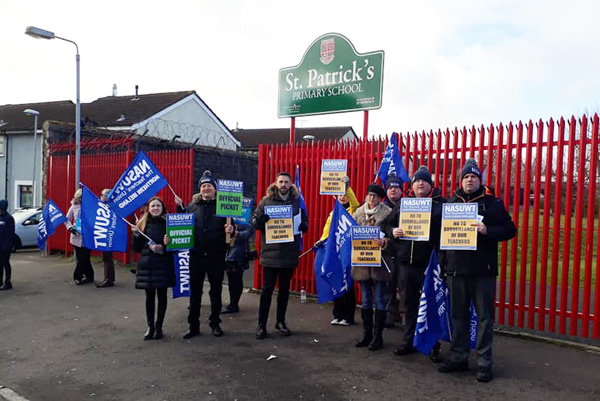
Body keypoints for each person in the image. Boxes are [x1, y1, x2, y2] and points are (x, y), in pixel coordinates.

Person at [438, 159, 516, 382]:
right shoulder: (451, 202)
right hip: (456, 270)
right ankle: (459, 357)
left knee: (484, 318)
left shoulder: (492, 203)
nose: (469, 179)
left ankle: (484, 362)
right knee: (458, 316)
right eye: (465, 176)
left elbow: (510, 230)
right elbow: (441, 238)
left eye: (473, 176)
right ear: (460, 180)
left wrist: (487, 230)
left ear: (480, 180)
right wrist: (445, 266)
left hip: (483, 270)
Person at [381, 166, 446, 362]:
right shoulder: (403, 204)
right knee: (408, 304)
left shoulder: (440, 205)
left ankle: (434, 345)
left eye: (424, 181)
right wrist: (393, 231)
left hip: (429, 264)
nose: (420, 184)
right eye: (417, 180)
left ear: (430, 185)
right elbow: (385, 225)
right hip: (405, 264)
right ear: (413, 185)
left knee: (431, 305)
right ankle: (408, 340)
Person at [176, 170, 235, 339]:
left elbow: (232, 229)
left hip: (216, 255)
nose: (206, 188)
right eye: (203, 186)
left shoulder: (224, 207)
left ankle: (215, 323)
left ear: (215, 190)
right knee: (195, 292)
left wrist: (232, 229)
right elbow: (182, 227)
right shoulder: (192, 207)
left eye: (209, 185)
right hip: (196, 255)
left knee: (215, 291)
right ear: (199, 189)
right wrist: (179, 210)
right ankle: (193, 325)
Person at [253, 172, 308, 340]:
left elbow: (305, 221)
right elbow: (255, 222)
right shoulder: (266, 201)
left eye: (286, 182)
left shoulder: (297, 202)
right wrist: (261, 220)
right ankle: (261, 325)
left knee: (284, 291)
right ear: (276, 184)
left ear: (291, 184)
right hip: (271, 254)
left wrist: (303, 226)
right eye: (281, 182)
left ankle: (280, 322)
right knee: (267, 291)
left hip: (289, 254)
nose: (283, 184)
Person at [352, 184, 392, 351]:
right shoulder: (358, 213)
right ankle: (367, 334)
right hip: (362, 262)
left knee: (380, 299)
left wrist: (385, 242)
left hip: (380, 263)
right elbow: (350, 233)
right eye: (369, 195)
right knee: (366, 299)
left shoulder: (388, 213)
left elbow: (391, 236)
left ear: (380, 198)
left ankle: (378, 336)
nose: (371, 198)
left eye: (375, 196)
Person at [315, 176, 359, 326]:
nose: (343, 197)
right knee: (336, 283)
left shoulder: (353, 210)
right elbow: (327, 231)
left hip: (346, 253)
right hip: (333, 253)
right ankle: (337, 314)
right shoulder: (333, 213)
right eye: (340, 194)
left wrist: (346, 186)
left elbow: (355, 202)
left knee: (347, 284)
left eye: (345, 194)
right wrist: (321, 240)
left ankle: (348, 317)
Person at [132, 196, 174, 340]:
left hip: (163, 265)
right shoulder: (142, 224)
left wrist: (163, 247)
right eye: (153, 206)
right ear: (148, 209)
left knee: (162, 297)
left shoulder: (168, 223)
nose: (155, 208)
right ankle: (150, 327)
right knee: (149, 298)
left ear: (162, 209)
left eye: (158, 206)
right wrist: (136, 235)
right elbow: (136, 249)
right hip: (147, 266)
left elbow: (175, 247)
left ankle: (159, 327)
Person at [382, 173, 404, 328]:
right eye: (390, 187)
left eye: (396, 187)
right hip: (387, 253)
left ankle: (404, 317)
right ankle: (389, 316)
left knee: (404, 288)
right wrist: (391, 232)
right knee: (388, 286)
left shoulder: (409, 205)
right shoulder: (381, 207)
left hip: (404, 254)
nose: (393, 190)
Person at [221, 221, 255, 314]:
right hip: (227, 251)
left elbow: (250, 231)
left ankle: (234, 304)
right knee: (231, 278)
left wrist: (237, 234)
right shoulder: (225, 214)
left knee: (237, 278)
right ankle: (232, 303)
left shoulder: (246, 213)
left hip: (239, 252)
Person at [65, 189, 95, 285]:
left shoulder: (90, 206)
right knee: (80, 257)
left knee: (85, 257)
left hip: (87, 236)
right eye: (80, 197)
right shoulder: (74, 207)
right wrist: (70, 228)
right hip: (77, 236)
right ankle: (83, 276)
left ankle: (85, 275)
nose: (82, 199)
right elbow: (66, 219)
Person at [97, 188, 115, 288]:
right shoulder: (105, 206)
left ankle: (109, 279)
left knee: (107, 257)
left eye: (102, 195)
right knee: (106, 257)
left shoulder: (108, 207)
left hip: (108, 235)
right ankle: (108, 277)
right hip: (105, 234)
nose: (100, 197)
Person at [0, 200, 15, 291]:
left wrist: (7, 246)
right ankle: (0, 281)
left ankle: (8, 281)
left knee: (5, 263)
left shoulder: (8, 218)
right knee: (0, 264)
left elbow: (10, 234)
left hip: (5, 246)